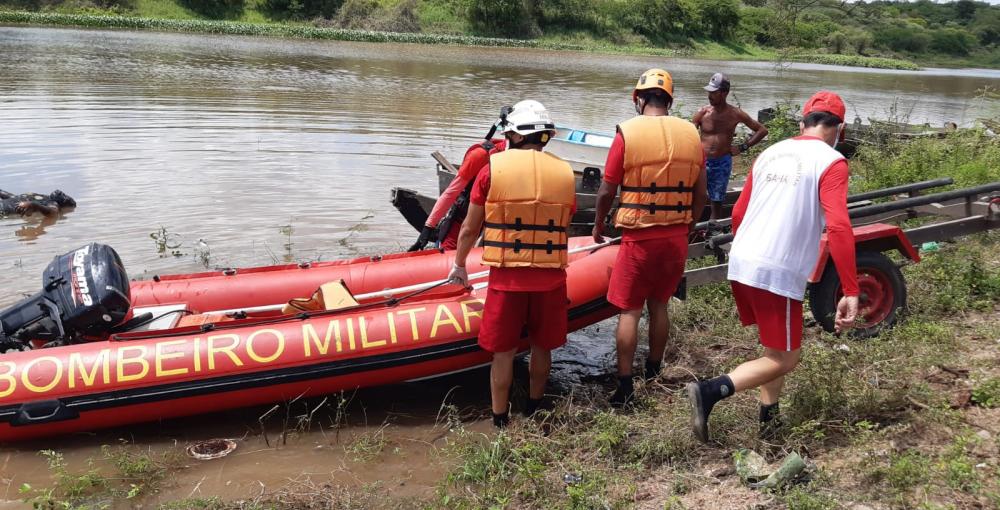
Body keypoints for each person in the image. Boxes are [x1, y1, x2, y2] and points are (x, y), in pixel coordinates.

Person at [686, 91, 860, 443]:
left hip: (744, 259)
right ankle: (710, 391)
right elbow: (839, 226)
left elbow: (737, 212)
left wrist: (751, 248)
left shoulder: (770, 152)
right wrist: (852, 290)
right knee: (787, 358)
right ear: (838, 129)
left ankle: (770, 420)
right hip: (776, 270)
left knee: (775, 349)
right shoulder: (832, 162)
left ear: (803, 123)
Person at [448, 100, 576, 428]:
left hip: (507, 282)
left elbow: (469, 228)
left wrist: (460, 265)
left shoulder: (492, 169)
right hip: (550, 279)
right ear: (544, 136)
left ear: (516, 135)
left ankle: (499, 420)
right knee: (542, 347)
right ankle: (534, 408)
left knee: (502, 353)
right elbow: (565, 222)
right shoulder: (564, 172)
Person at [592, 69, 708, 407]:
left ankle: (625, 386)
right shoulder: (691, 133)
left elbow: (605, 191)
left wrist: (598, 225)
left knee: (629, 311)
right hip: (675, 236)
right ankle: (654, 371)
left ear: (638, 99)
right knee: (660, 305)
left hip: (640, 237)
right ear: (669, 101)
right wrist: (688, 224)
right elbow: (700, 193)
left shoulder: (627, 133)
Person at [408, 109, 511, 251]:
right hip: (465, 218)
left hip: (499, 224)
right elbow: (451, 192)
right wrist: (427, 229)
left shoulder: (532, 160)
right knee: (448, 254)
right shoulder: (480, 156)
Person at [692, 73, 769, 221]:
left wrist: (743, 147)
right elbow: (688, 134)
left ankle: (713, 232)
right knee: (695, 196)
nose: (710, 95)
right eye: (709, 92)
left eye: (714, 92)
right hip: (701, 161)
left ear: (724, 93)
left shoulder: (735, 113)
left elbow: (762, 130)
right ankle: (694, 228)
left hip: (722, 162)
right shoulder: (702, 112)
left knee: (717, 200)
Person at [0, 189, 76, 217]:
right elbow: (12, 197)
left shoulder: (52, 203)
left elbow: (52, 213)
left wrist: (34, 206)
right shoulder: (43, 197)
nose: (60, 192)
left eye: (65, 197)